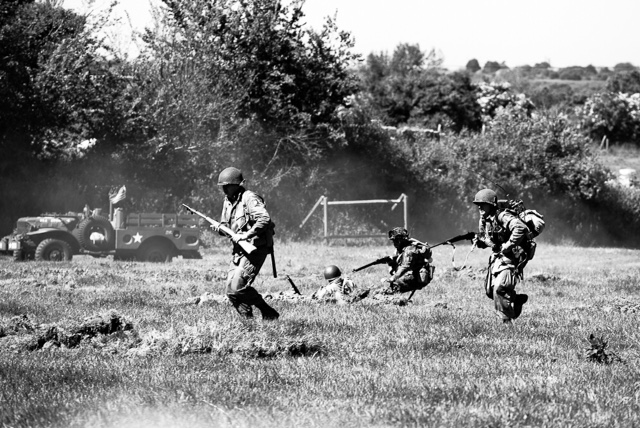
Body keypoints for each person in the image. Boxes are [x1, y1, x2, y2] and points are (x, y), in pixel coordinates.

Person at [214, 167, 279, 320]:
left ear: (237, 185)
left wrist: (246, 235)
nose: (224, 189)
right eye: (222, 186)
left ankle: (268, 312)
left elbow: (264, 219)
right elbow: (226, 226)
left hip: (254, 249)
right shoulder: (227, 201)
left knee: (237, 288)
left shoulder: (249, 198)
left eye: (227, 186)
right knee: (230, 292)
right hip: (238, 251)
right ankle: (248, 321)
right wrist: (219, 228)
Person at [472, 188, 530, 324]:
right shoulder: (485, 220)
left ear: (491, 204)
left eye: (482, 204)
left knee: (500, 288)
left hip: (511, 257)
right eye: (477, 205)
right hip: (497, 257)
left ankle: (506, 322)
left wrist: (508, 245)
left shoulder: (502, 216)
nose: (479, 207)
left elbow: (520, 228)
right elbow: (488, 240)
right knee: (490, 291)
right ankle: (517, 299)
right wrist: (480, 242)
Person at [372, 227, 434, 300]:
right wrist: (390, 261)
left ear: (399, 241)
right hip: (414, 274)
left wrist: (393, 278)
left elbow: (405, 267)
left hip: (417, 277)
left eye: (395, 241)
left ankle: (395, 301)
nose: (394, 243)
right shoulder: (403, 248)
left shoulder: (410, 250)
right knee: (388, 288)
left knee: (392, 287)